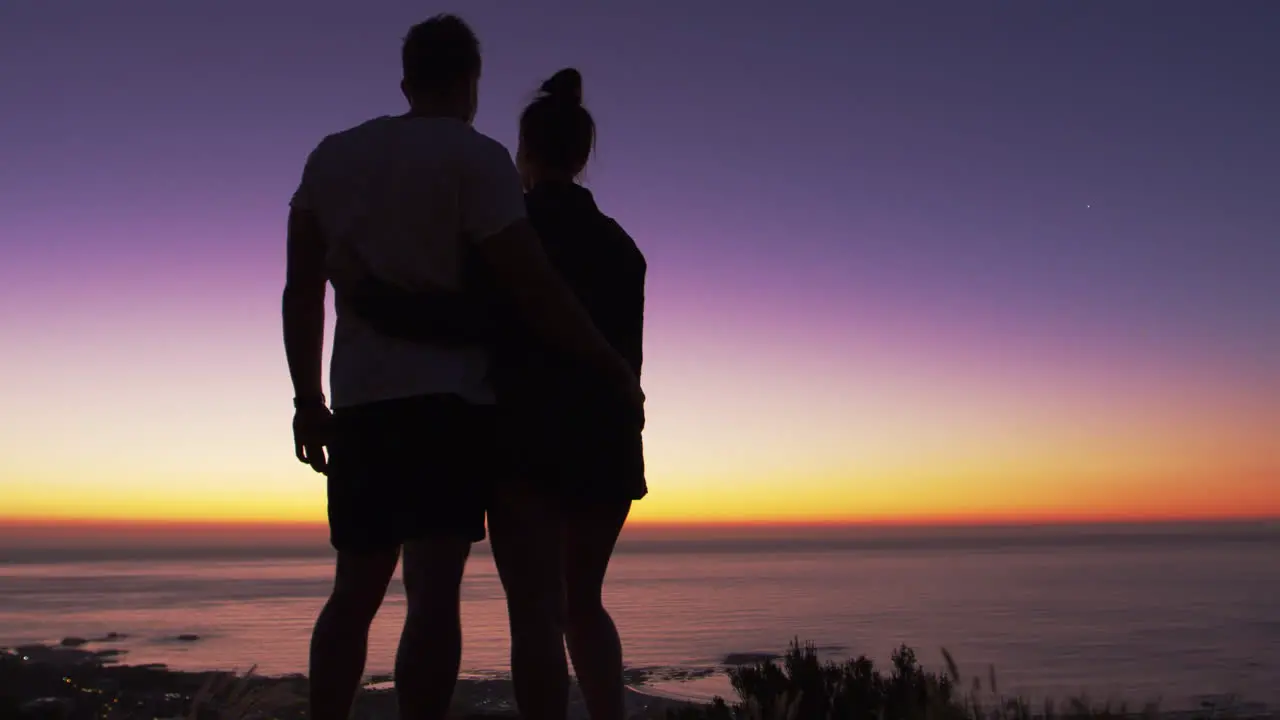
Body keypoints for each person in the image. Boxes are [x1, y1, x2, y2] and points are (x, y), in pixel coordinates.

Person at [281, 16, 641, 720]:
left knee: (351, 594)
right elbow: (528, 289)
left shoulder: (332, 156)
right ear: (472, 83)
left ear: (407, 80)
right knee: (434, 597)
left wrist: (306, 398)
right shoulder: (481, 164)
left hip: (361, 404)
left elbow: (301, 288)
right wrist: (611, 369)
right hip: (453, 410)